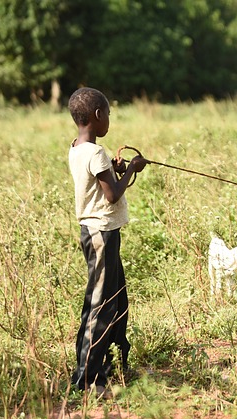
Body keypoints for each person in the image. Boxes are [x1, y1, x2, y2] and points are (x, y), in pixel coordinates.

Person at [67, 87, 148, 397]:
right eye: (109, 114)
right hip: (100, 233)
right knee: (100, 306)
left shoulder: (77, 148)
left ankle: (112, 366)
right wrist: (131, 170)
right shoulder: (97, 152)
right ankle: (87, 381)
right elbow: (112, 194)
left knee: (117, 301)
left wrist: (116, 171)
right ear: (99, 116)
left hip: (100, 233)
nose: (110, 119)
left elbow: (99, 182)